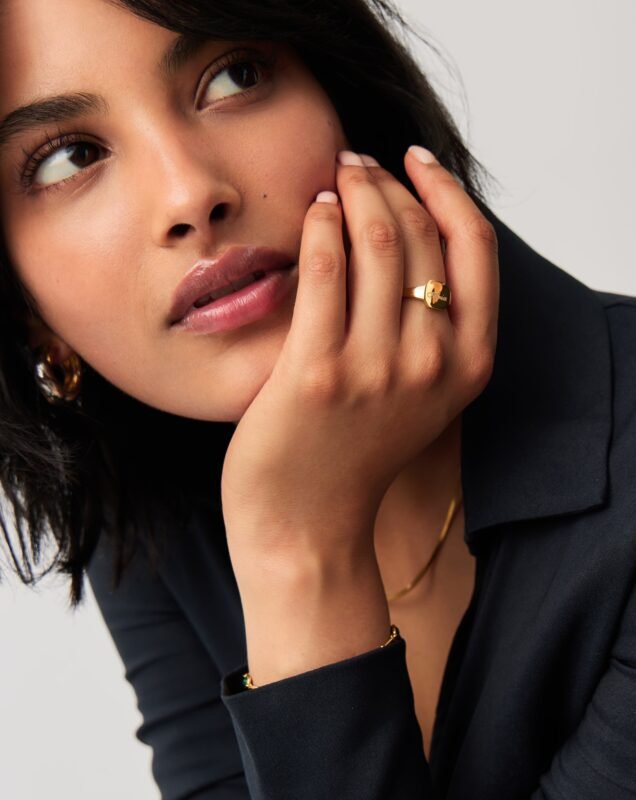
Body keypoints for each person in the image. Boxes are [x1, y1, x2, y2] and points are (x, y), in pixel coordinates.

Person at [1, 1, 635, 798]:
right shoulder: (144, 507)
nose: (189, 194)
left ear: (341, 90)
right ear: (26, 312)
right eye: (68, 158)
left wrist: (296, 549)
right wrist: (296, 546)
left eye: (234, 76)